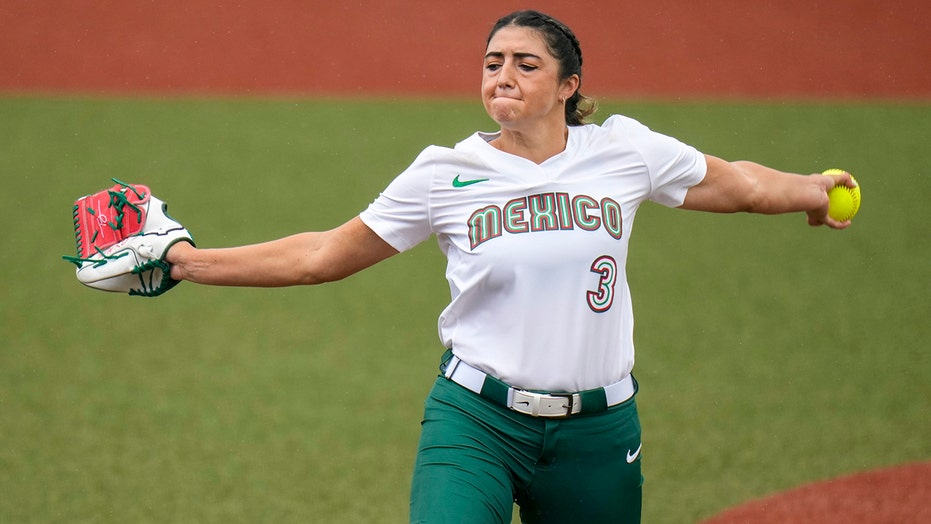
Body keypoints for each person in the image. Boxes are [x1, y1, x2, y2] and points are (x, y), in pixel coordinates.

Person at [165, 9, 855, 524]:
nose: (503, 74)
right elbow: (321, 255)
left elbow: (739, 185)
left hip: (597, 432)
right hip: (475, 420)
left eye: (526, 64)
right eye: (493, 62)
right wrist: (188, 263)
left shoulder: (624, 152)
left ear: (567, 85)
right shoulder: (444, 173)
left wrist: (813, 191)